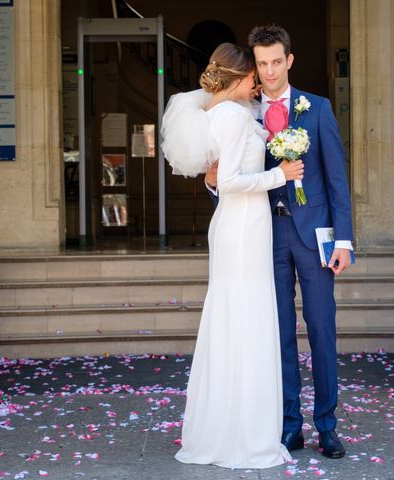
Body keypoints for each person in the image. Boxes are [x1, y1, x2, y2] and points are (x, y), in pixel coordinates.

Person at [206, 25, 354, 459]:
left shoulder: (318, 108)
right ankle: (290, 426)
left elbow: (336, 180)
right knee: (279, 335)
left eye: (276, 62)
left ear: (289, 60)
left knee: (322, 331)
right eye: (262, 64)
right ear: (255, 65)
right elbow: (229, 175)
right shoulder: (244, 112)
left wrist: (343, 239)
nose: (269, 72)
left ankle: (327, 425)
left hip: (314, 237)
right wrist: (213, 184)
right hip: (263, 236)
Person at [162, 42, 304, 469]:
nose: (259, 82)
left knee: (235, 320)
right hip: (243, 226)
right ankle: (244, 433)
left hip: (240, 226)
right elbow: (228, 181)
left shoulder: (225, 114)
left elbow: (220, 173)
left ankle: (228, 425)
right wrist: (281, 173)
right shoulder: (233, 117)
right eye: (254, 76)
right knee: (246, 321)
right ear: (241, 77)